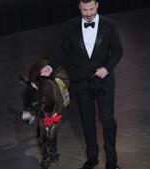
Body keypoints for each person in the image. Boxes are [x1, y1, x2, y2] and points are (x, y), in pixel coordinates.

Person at [40, 0, 123, 168]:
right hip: (81, 81)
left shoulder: (109, 25)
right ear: (79, 7)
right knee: (86, 121)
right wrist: (50, 66)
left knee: (107, 120)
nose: (88, 13)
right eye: (84, 10)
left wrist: (107, 68)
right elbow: (63, 50)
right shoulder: (70, 26)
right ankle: (92, 159)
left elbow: (117, 51)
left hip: (103, 81)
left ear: (97, 5)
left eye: (91, 9)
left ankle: (112, 163)